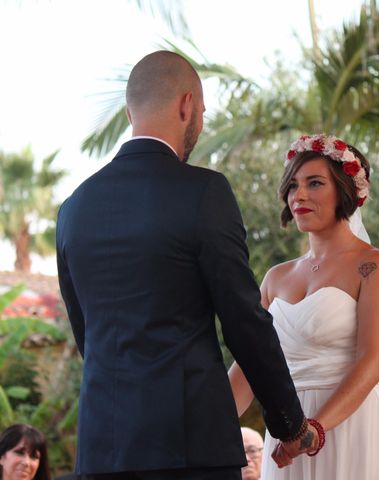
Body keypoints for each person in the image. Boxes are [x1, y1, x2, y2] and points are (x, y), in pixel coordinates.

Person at [56, 50, 317, 480]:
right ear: (187, 105)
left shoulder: (74, 208)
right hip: (188, 450)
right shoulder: (204, 193)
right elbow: (243, 321)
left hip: (103, 450)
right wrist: (289, 424)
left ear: (129, 111)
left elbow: (87, 333)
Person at [228, 134, 379, 479]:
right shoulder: (275, 278)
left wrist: (313, 430)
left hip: (353, 428)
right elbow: (250, 369)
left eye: (314, 183)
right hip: (286, 439)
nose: (299, 195)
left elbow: (374, 363)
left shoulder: (375, 267)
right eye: (293, 185)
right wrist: (202, 424)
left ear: (344, 189)